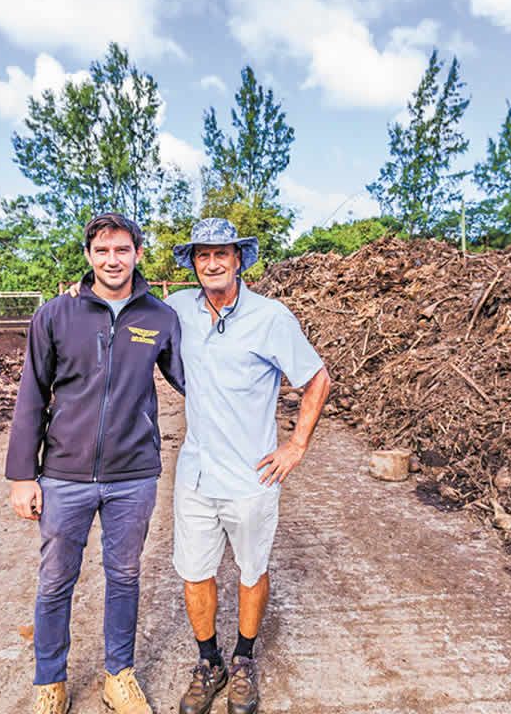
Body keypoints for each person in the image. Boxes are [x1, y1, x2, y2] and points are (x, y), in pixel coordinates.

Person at [6, 212, 184, 714]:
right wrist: (22, 475)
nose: (112, 260)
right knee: (55, 581)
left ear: (138, 254)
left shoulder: (159, 317)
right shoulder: (55, 315)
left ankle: (118, 676)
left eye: (122, 250)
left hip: (134, 475)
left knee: (124, 576)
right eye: (102, 250)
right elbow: (31, 395)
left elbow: (193, 380)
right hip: (64, 475)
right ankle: (50, 681)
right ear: (88, 255)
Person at [165, 218, 331, 714]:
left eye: (222, 253)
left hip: (251, 476)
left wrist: (295, 445)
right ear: (193, 263)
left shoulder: (271, 317)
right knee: (195, 572)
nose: (212, 263)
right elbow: (133, 316)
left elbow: (317, 379)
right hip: (195, 474)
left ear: (238, 260)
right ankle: (209, 662)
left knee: (251, 569)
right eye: (203, 255)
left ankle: (243, 659)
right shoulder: (178, 308)